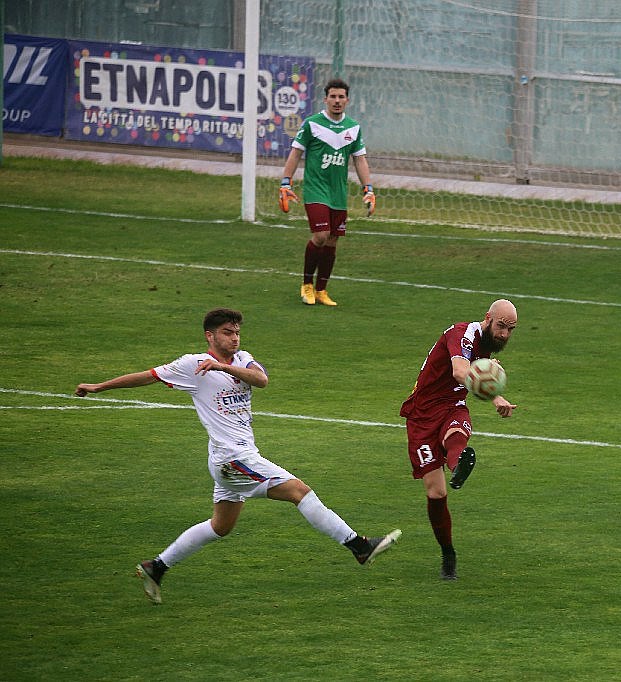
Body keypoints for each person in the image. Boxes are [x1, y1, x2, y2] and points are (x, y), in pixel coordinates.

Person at [75, 308, 400, 604]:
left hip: (233, 458)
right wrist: (99, 387)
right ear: (210, 336)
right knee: (299, 491)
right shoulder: (191, 366)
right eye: (228, 333)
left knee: (221, 526)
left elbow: (262, 380)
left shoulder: (243, 359)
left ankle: (156, 566)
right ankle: (358, 546)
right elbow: (147, 376)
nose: (234, 338)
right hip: (232, 458)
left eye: (237, 332)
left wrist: (222, 366)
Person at [399, 299, 518, 580]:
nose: (504, 334)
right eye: (501, 326)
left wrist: (488, 366)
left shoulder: (487, 343)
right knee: (436, 494)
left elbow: (471, 370)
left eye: (511, 330)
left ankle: (458, 466)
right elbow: (459, 371)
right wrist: (495, 395)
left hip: (452, 405)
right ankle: (448, 553)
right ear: (487, 318)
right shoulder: (462, 333)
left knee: (457, 434)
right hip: (422, 415)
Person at [279, 78, 376, 307]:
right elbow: (295, 154)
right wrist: (286, 182)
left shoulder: (353, 127)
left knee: (332, 241)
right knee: (321, 236)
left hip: (338, 194)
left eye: (341, 97)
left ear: (347, 100)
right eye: (333, 96)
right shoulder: (312, 124)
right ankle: (307, 285)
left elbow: (360, 160)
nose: (337, 101)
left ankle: (322, 290)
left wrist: (368, 189)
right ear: (325, 99)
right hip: (315, 191)